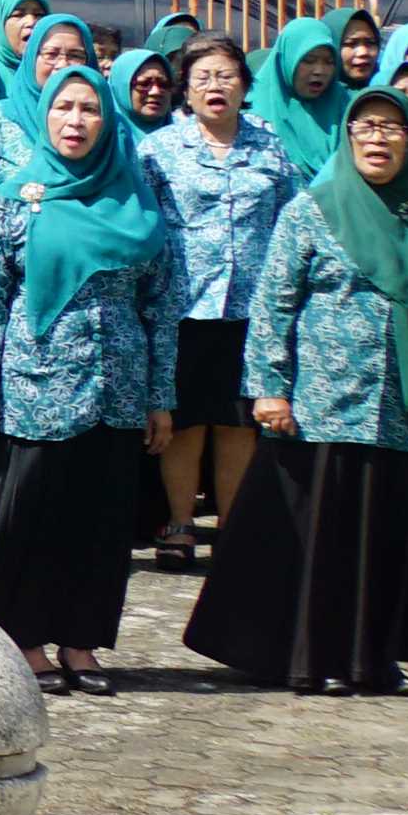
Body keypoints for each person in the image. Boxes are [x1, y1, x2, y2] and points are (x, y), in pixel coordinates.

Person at [191, 81, 408, 696]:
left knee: (392, 537)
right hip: (324, 401)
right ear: (347, 137)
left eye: (392, 128)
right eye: (366, 127)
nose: (378, 139)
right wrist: (270, 387)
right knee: (324, 538)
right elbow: (274, 304)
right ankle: (315, 657)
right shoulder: (313, 209)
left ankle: (377, 658)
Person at [0, 67, 181, 696]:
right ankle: (24, 639)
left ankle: (80, 640)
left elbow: (164, 301)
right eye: (63, 109)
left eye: (89, 110)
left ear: (108, 120)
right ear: (44, 117)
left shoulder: (138, 194)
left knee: (100, 524)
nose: (75, 121)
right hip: (34, 386)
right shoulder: (15, 197)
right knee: (31, 521)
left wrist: (161, 398)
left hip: (118, 388)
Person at [142, 35, 299, 568]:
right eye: (203, 76)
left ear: (245, 86)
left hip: (251, 306)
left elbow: (289, 219)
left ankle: (232, 527)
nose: (216, 86)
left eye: (227, 76)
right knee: (184, 421)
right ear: (185, 89)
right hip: (183, 305)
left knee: (237, 421)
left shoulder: (270, 146)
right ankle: (181, 523)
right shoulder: (160, 149)